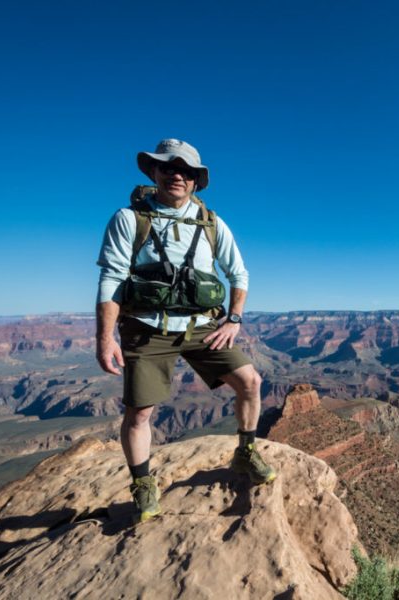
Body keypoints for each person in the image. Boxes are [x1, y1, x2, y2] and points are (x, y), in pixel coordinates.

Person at [95, 138, 275, 524]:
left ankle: (245, 451)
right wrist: (105, 337)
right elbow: (111, 279)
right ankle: (143, 484)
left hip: (202, 327)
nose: (176, 175)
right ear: (153, 172)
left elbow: (239, 274)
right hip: (148, 328)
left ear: (196, 180)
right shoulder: (129, 219)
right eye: (168, 167)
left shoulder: (212, 223)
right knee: (140, 412)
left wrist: (234, 319)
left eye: (186, 171)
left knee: (250, 381)